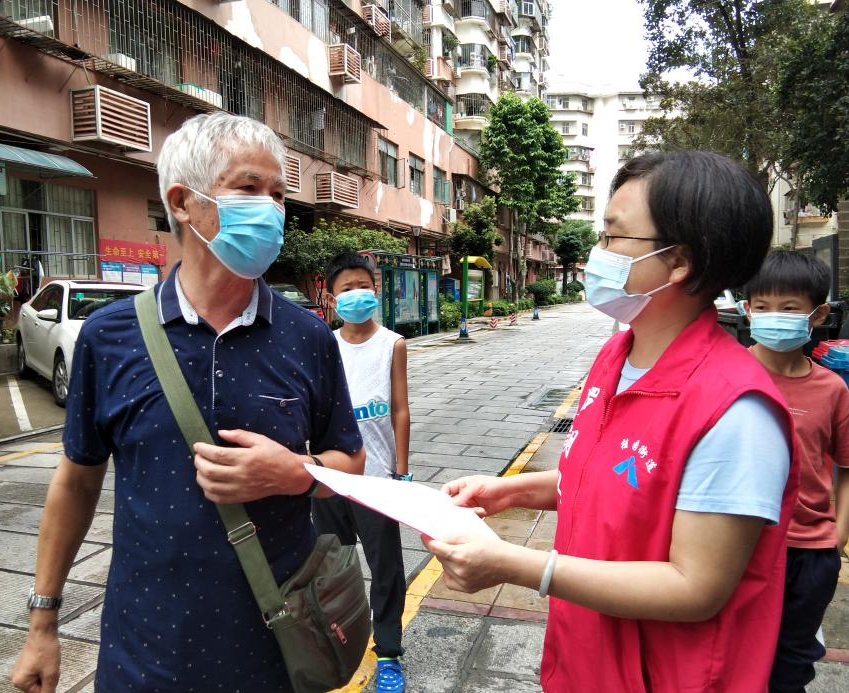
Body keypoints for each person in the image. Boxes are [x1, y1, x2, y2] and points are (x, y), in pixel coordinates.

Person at [10, 112, 365, 693]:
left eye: (279, 194)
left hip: (277, 648)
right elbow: (75, 482)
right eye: (249, 188)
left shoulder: (308, 337)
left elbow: (351, 463)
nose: (271, 209)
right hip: (144, 653)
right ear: (182, 202)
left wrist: (296, 474)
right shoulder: (109, 336)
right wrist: (42, 622)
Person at [424, 150, 800, 692]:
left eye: (612, 236)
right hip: (587, 659)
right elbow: (615, 475)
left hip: (667, 677)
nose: (596, 254)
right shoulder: (616, 357)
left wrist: (517, 565)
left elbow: (696, 587)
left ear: (679, 261)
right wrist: (512, 491)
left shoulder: (736, 413)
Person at [743, 250, 849, 693]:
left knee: (790, 665)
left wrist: (837, 537)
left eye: (788, 308)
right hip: (739, 546)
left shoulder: (832, 389)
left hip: (810, 554)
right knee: (736, 657)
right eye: (762, 306)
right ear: (747, 310)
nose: (774, 317)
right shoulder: (726, 374)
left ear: (817, 314)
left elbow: (845, 466)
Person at [312, 251, 411, 693]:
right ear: (332, 298)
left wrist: (401, 472)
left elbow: (400, 409)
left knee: (385, 568)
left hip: (377, 481)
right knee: (329, 567)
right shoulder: (322, 344)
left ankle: (388, 652)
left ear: (376, 289)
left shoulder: (393, 344)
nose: (357, 295)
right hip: (330, 477)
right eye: (346, 289)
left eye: (363, 286)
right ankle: (331, 643)